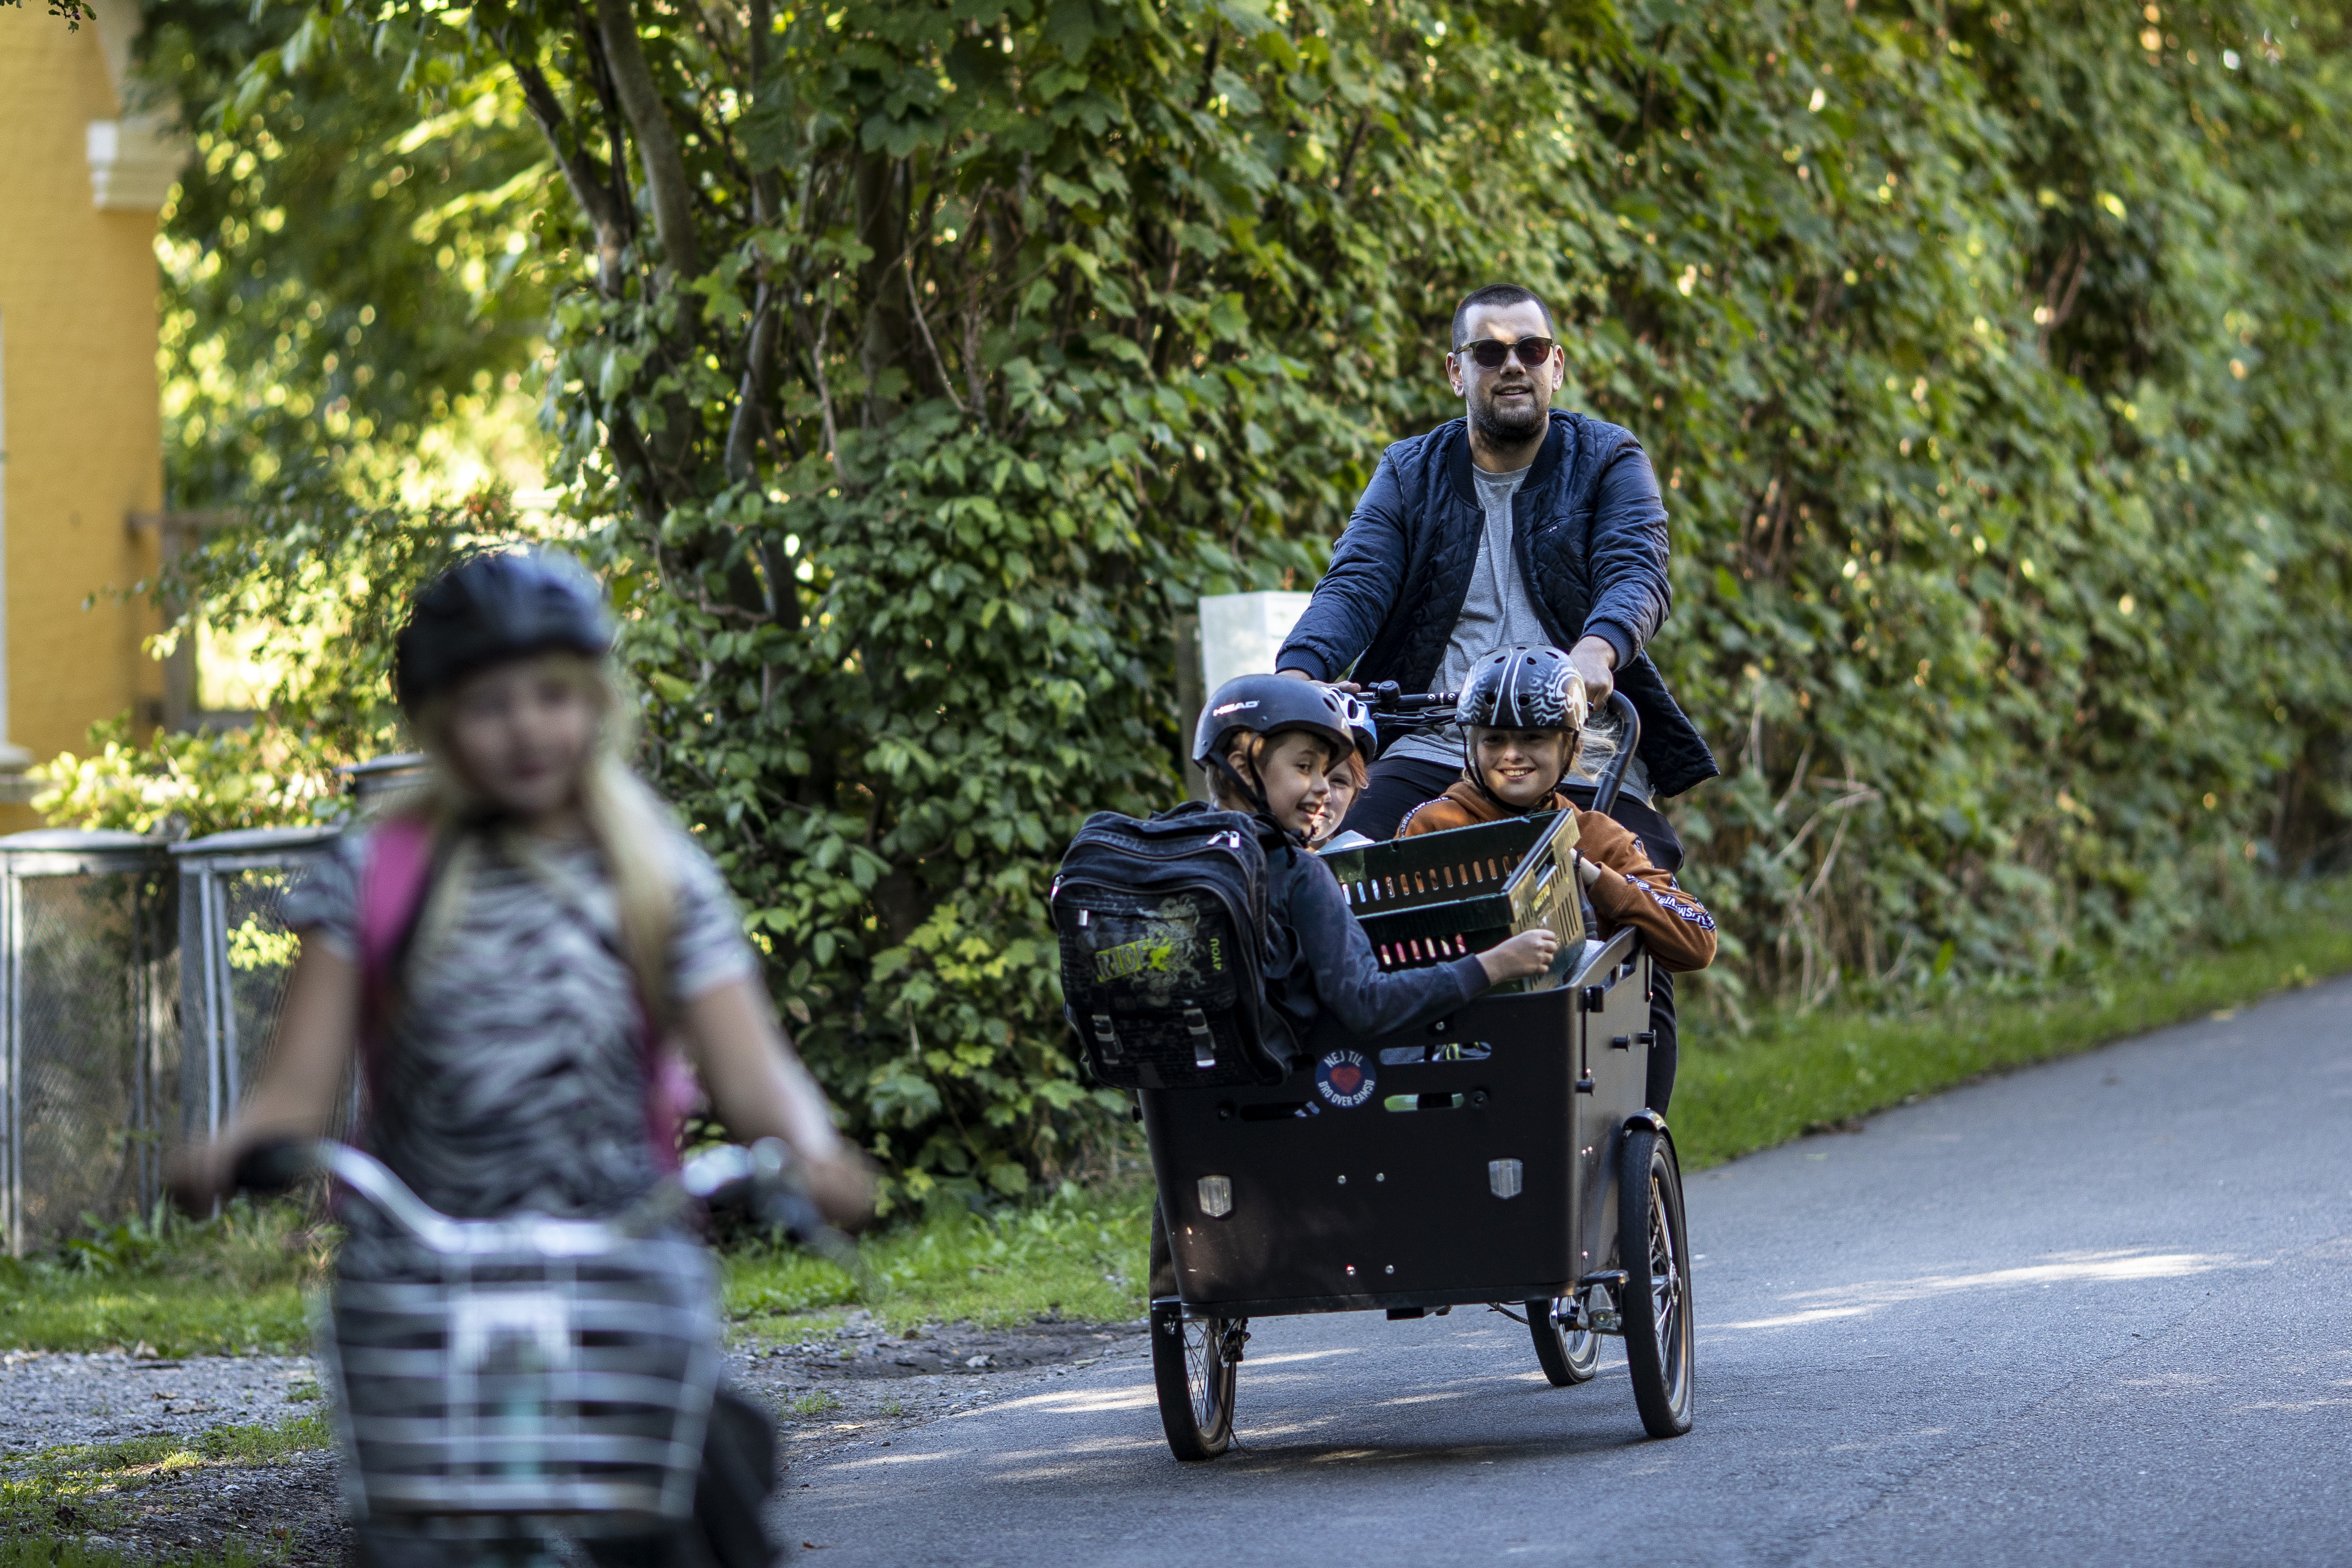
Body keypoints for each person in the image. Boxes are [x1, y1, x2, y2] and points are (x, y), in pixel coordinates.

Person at [169, 550, 872, 1568]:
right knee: (418, 1536)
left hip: (617, 1263)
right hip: (423, 1285)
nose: (527, 726)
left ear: (594, 703)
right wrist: (238, 1148)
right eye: (490, 703)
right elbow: (293, 1090)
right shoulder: (375, 869)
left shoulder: (655, 868)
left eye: (553, 695)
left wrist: (810, 1151)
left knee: (683, 1520)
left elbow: (752, 1065)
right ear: (440, 721)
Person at [1275, 281, 1718, 1106]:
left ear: (1558, 366)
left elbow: (1636, 569)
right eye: (1489, 352)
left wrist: (1596, 652)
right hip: (1440, 746)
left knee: (1634, 917)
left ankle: (1635, 1130)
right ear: (1457, 372)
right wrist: (1298, 678)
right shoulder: (1411, 472)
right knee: (1328, 881)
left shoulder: (1608, 459)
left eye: (1529, 350)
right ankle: (1346, 1109)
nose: (1511, 365)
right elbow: (1357, 582)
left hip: (1570, 741)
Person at [1194, 675, 1557, 1050]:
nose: (1321, 789)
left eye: (1329, 775)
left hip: (1187, 1098)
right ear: (1241, 768)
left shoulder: (1193, 853)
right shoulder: (1297, 872)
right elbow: (1366, 1003)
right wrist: (1493, 965)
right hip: (1291, 1094)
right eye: (1305, 768)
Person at [1399, 647, 1717, 986]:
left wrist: (1590, 875)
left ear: (1572, 748)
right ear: (1473, 748)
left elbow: (1697, 942)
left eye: (1532, 738)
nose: (1511, 755)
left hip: (1570, 1028)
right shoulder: (1435, 824)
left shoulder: (1597, 835)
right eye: (1493, 740)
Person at [1306, 692, 1376, 851]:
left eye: (1339, 781)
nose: (1326, 794)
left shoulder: (1363, 862)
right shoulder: (1241, 850)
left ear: (1354, 796)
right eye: (1306, 771)